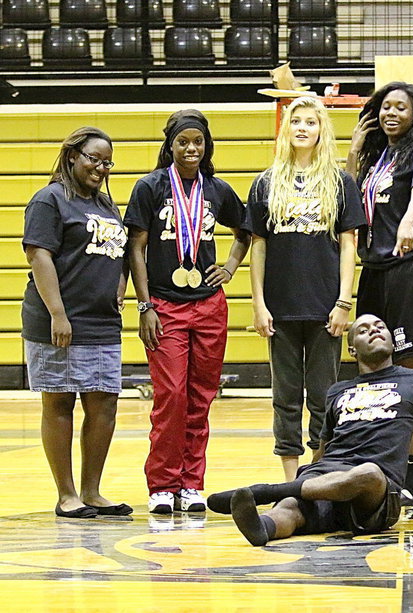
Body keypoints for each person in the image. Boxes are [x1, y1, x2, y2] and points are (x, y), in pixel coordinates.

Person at [207, 314, 413, 546]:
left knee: (367, 473)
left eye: (380, 328)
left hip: (376, 492)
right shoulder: (337, 391)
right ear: (352, 349)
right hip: (326, 479)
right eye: (364, 330)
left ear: (392, 342)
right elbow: (323, 450)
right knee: (291, 508)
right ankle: (262, 527)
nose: (374, 331)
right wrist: (307, 480)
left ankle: (264, 491)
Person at [125, 109, 250, 514]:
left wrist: (230, 265)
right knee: (171, 396)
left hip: (210, 306)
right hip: (164, 305)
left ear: (207, 145)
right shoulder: (150, 187)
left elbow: (245, 232)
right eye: (183, 141)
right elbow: (136, 250)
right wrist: (144, 305)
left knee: (200, 397)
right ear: (170, 145)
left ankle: (192, 483)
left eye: (198, 141)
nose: (191, 148)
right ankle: (162, 483)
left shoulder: (217, 189)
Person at [245, 97, 365, 481]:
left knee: (324, 396)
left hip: (325, 306)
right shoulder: (266, 182)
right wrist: (259, 304)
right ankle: (289, 481)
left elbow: (349, 245)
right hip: (280, 308)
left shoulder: (340, 182)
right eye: (295, 121)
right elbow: (258, 247)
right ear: (286, 128)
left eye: (310, 122)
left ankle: (318, 475)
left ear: (321, 130)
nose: (302, 128)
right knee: (285, 398)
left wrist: (344, 302)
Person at [22, 127, 131, 518]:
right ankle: (67, 494)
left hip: (102, 322)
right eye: (93, 159)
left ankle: (92, 491)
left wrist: (120, 284)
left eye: (107, 162)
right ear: (72, 156)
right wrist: (58, 314)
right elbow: (39, 256)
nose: (101, 168)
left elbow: (118, 251)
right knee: (60, 402)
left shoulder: (105, 205)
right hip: (59, 323)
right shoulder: (49, 200)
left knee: (104, 405)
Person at [345, 81, 413, 505]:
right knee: (369, 374)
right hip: (374, 270)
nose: (391, 114)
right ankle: (372, 466)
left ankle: (412, 478)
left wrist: (408, 220)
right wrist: (352, 150)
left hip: (411, 267)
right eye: (386, 106)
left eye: (401, 108)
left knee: (407, 373)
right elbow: (347, 197)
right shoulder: (372, 156)